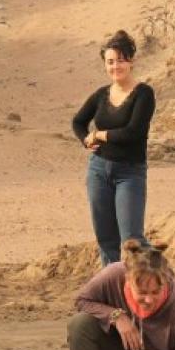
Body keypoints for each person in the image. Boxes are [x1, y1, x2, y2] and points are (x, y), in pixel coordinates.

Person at [71, 30, 156, 266]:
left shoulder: (144, 94)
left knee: (132, 239)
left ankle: (159, 280)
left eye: (120, 60)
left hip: (129, 172)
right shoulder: (100, 95)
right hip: (98, 170)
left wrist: (99, 134)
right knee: (106, 239)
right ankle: (115, 291)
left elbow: (133, 132)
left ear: (131, 61)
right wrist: (85, 139)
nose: (115, 66)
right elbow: (77, 122)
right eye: (110, 61)